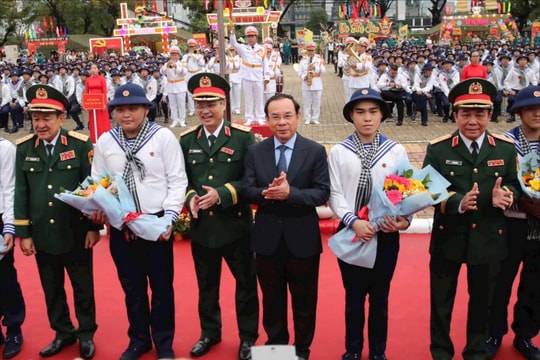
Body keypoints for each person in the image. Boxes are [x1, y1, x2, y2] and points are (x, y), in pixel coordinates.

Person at [423, 78, 521, 360]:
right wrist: (457, 202)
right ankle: (441, 352)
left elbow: (514, 184)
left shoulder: (504, 148)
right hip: (448, 237)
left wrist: (508, 197)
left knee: (482, 303)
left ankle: (476, 352)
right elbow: (429, 190)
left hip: (489, 237)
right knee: (441, 303)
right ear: (455, 114)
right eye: (466, 113)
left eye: (480, 114)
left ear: (490, 115)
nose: (473, 121)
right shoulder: (439, 148)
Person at [91, 83, 187, 360]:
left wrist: (170, 217)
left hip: (155, 222)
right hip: (121, 225)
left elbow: (177, 180)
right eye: (120, 109)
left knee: (160, 287)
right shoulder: (107, 141)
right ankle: (139, 339)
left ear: (146, 109)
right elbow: (99, 180)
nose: (126, 114)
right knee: (131, 287)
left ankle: (164, 343)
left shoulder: (163, 138)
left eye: (133, 108)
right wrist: (98, 206)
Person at [14, 84, 101, 359]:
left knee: (82, 287)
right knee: (51, 288)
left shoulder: (79, 144)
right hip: (42, 233)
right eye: (36, 119)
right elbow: (22, 191)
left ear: (61, 118)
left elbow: (92, 189)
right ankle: (62, 332)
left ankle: (86, 333)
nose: (40, 124)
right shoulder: (25, 148)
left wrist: (93, 227)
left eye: (46, 118)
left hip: (74, 231)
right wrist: (24, 232)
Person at [244, 93, 330, 360]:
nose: (282, 122)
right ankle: (277, 348)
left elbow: (321, 193)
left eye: (287, 116)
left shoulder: (314, 151)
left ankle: (302, 349)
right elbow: (247, 189)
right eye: (275, 117)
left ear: (298, 116)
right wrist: (268, 193)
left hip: (302, 238)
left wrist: (290, 194)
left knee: (304, 301)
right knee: (272, 300)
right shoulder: (255, 151)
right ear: (267, 120)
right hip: (267, 238)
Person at [180, 73, 259, 360]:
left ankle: (248, 338)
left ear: (223, 103)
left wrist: (223, 194)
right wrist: (190, 199)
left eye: (211, 103)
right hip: (203, 228)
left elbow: (251, 180)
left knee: (246, 285)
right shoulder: (187, 140)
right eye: (200, 103)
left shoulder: (241, 137)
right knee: (206, 287)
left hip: (236, 226)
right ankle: (209, 333)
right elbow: (182, 180)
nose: (205, 110)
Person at [328, 88, 411, 360]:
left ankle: (378, 352)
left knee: (380, 298)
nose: (367, 118)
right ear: (351, 115)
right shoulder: (340, 151)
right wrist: (352, 222)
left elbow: (406, 191)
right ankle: (352, 350)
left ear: (382, 115)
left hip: (384, 233)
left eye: (373, 112)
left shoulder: (395, 150)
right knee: (353, 299)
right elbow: (335, 193)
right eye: (360, 112)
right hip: (351, 232)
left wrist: (402, 221)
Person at [486, 86, 540, 360]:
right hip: (510, 223)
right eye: (530, 108)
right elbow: (493, 183)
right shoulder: (504, 143)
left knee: (535, 284)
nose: (537, 113)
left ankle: (525, 335)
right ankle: (493, 333)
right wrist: (517, 199)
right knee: (499, 281)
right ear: (518, 111)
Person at [0, 136, 25, 359]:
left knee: (4, 277)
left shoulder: (4, 148)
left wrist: (9, 226)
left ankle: (14, 328)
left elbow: (10, 189)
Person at [229, 25, 269, 125]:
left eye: (252, 36)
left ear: (256, 37)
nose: (250, 38)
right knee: (248, 98)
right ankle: (249, 117)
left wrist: (267, 76)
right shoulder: (243, 48)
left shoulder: (262, 49)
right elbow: (233, 44)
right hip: (247, 74)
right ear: (246, 37)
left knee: (259, 97)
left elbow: (265, 63)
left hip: (258, 74)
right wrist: (232, 33)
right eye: (249, 36)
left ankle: (260, 117)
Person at [298, 42, 325, 125]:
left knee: (317, 102)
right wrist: (304, 77)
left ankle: (315, 118)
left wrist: (315, 68)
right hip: (306, 84)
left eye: (312, 50)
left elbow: (323, 71)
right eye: (309, 50)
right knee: (307, 102)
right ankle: (307, 118)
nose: (310, 52)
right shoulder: (303, 60)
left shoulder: (319, 59)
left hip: (316, 83)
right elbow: (299, 72)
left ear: (315, 50)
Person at [85, 63, 111, 143]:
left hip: (100, 102)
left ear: (98, 70)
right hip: (92, 102)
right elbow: (86, 92)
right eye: (92, 68)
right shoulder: (88, 80)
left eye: (95, 68)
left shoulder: (102, 79)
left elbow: (104, 91)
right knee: (93, 121)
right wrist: (86, 104)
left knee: (101, 121)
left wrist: (104, 103)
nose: (93, 70)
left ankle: (104, 138)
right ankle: (94, 138)